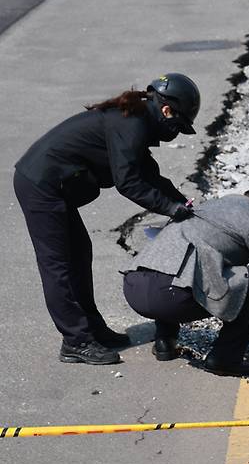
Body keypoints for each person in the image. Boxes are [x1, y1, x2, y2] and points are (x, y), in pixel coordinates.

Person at [14, 74, 201, 366]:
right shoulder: (131, 123)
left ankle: (91, 327)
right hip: (41, 184)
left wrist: (182, 202)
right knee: (57, 265)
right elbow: (128, 182)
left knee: (79, 253)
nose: (175, 133)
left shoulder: (137, 119)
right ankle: (76, 341)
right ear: (167, 111)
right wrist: (170, 209)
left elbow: (148, 173)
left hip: (54, 185)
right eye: (178, 126)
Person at [122, 170, 249, 375]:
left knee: (180, 261)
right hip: (169, 300)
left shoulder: (216, 204)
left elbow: (207, 264)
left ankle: (166, 341)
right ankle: (225, 359)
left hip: (134, 287)